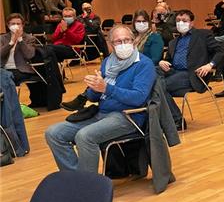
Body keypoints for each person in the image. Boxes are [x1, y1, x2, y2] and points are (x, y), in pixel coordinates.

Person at [44, 24, 155, 173]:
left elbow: (138, 97)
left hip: (127, 116)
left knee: (85, 136)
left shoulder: (143, 64)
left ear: (134, 41)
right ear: (111, 44)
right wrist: (93, 88)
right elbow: (94, 96)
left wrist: (106, 88)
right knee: (54, 133)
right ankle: (76, 178)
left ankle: (88, 185)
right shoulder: (108, 62)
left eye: (127, 40)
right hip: (101, 114)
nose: (123, 44)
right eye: (118, 41)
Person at [61, 9, 164, 112]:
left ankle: (84, 97)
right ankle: (86, 95)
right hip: (122, 64)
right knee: (105, 75)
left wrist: (133, 60)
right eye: (138, 21)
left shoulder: (154, 37)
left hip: (139, 67)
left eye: (144, 21)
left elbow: (153, 59)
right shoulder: (132, 37)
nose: (141, 24)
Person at [157, 9, 224, 129]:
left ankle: (177, 120)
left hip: (192, 74)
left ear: (192, 23)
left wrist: (210, 65)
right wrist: (162, 62)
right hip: (173, 72)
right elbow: (169, 60)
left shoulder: (203, 35)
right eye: (178, 20)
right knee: (153, 78)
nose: (181, 23)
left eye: (184, 20)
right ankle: (166, 119)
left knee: (158, 87)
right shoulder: (173, 42)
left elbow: (220, 52)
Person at [1, 13, 42, 100]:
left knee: (6, 77)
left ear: (22, 25)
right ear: (8, 25)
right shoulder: (2, 38)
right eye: (13, 24)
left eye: (18, 24)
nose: (15, 26)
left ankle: (10, 103)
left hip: (21, 69)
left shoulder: (29, 38)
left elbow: (29, 55)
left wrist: (20, 40)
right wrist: (11, 43)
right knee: (4, 75)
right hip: (3, 68)